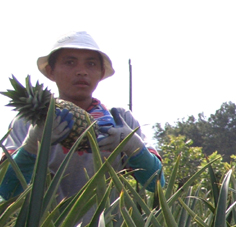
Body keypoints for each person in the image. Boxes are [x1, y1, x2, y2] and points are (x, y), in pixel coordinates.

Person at [1, 31, 165, 200]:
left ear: (101, 73)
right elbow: (6, 191)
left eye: (91, 64)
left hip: (107, 225)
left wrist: (133, 146)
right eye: (70, 62)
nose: (81, 71)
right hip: (43, 225)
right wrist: (31, 147)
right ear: (51, 71)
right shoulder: (28, 122)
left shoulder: (120, 119)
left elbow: (157, 183)